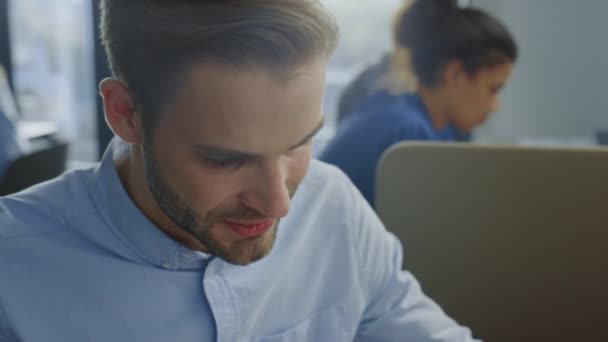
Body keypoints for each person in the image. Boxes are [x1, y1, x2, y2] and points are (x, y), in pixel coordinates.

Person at [0, 1, 479, 340]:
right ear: (125, 114)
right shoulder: (13, 274)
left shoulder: (333, 206)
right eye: (225, 159)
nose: (280, 204)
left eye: (300, 143)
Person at [321, 0, 518, 208]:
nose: (496, 106)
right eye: (493, 89)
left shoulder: (432, 126)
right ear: (456, 74)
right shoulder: (407, 135)